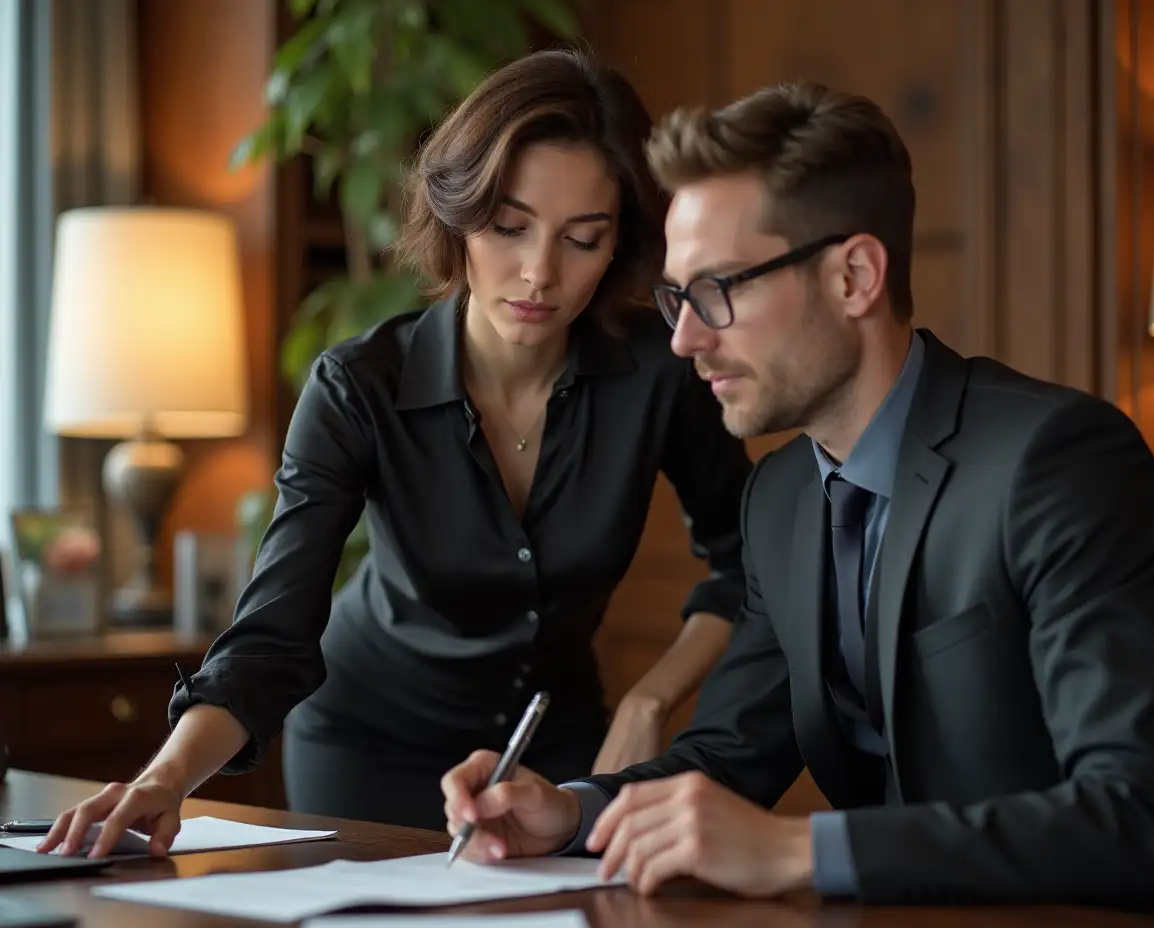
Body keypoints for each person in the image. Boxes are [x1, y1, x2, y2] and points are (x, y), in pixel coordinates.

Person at [440, 80, 1154, 905]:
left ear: (854, 277)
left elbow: (1142, 815)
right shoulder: (780, 497)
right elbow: (730, 753)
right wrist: (572, 813)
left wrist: (798, 851)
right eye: (676, 297)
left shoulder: (1058, 462)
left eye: (718, 290)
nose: (684, 338)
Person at [38, 48, 754, 858]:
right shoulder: (358, 386)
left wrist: (650, 701)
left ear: (621, 241)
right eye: (507, 228)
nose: (539, 272)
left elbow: (745, 566)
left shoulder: (662, 375)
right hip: (366, 743)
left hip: (557, 754)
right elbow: (273, 632)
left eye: (582, 239)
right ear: (458, 215)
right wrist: (165, 778)